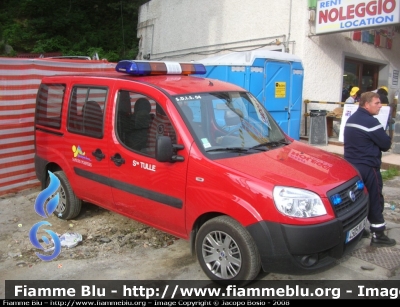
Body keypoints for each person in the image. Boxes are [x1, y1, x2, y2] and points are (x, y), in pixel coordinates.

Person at [344, 91, 396, 247]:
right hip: (368, 167)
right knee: (375, 199)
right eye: (377, 103)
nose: (380, 106)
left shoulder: (352, 119)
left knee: (358, 200)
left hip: (352, 168)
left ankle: (359, 229)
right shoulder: (371, 122)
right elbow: (386, 144)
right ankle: (378, 234)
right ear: (366, 105)